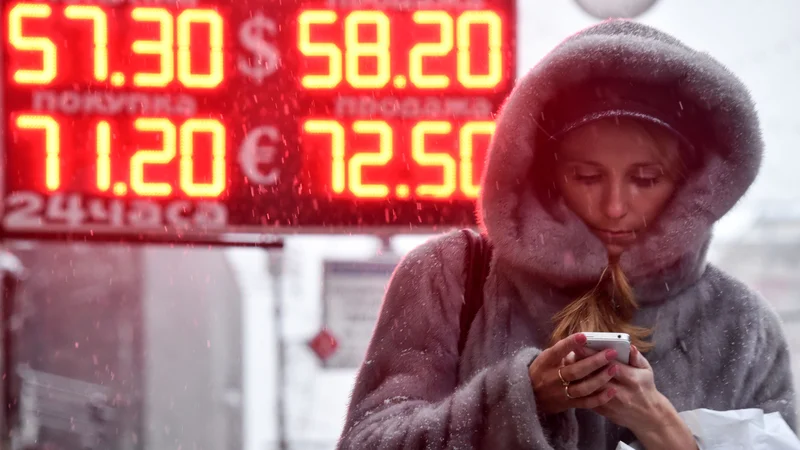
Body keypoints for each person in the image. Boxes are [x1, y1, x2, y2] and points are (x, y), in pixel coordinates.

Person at [336, 19, 797, 449]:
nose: (615, 207)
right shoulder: (451, 279)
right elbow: (370, 442)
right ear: (549, 177)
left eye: (645, 179)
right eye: (587, 177)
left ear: (688, 184)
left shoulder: (741, 325)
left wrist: (662, 426)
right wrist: (522, 397)